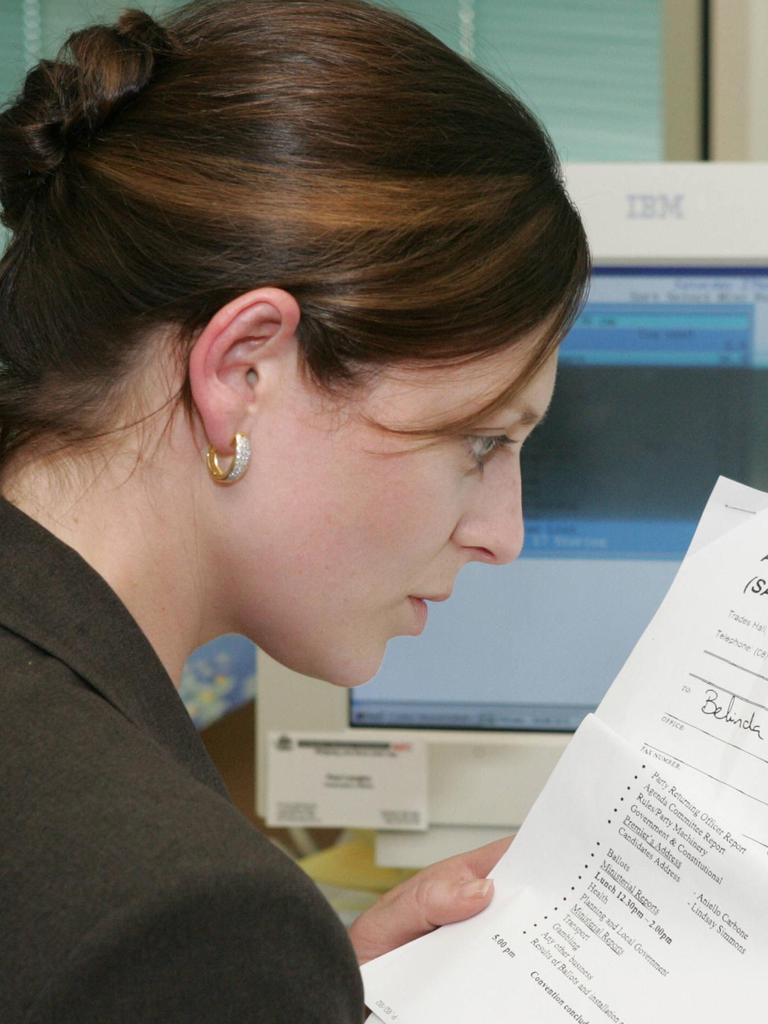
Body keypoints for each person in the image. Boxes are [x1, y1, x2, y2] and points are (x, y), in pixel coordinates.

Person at [0, 0, 589, 1020]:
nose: (504, 534)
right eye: (481, 440)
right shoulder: (176, 907)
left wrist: (296, 986)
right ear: (247, 368)